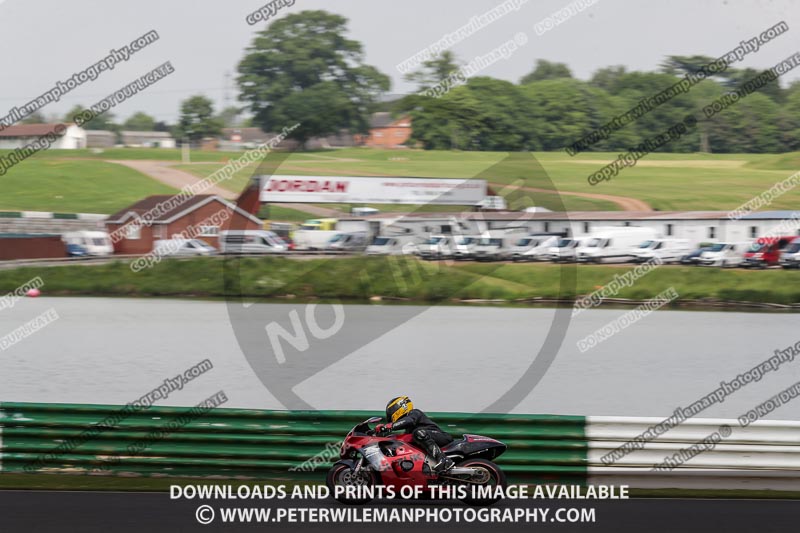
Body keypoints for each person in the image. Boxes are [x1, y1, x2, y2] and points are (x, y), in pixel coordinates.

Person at [375, 396, 454, 473]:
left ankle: (443, 459)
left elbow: (409, 420)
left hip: (441, 436)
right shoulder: (409, 429)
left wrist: (390, 426)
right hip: (430, 438)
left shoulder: (414, 413)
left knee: (418, 433)